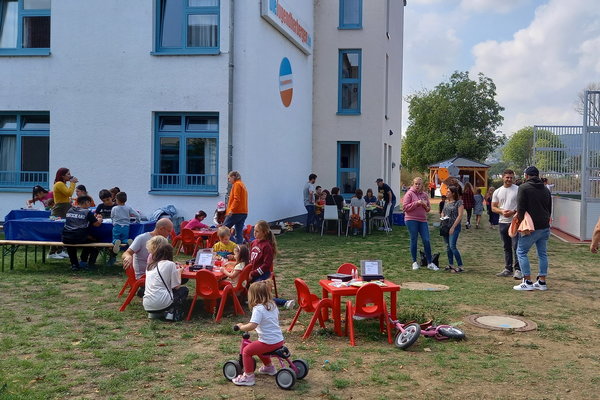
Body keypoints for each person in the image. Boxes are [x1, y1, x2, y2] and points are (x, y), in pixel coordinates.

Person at [232, 280, 286, 386]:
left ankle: (248, 377)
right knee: (258, 347)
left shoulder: (258, 309)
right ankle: (269, 367)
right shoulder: (272, 305)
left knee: (247, 351)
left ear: (253, 296)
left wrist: (241, 327)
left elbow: (252, 325)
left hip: (269, 342)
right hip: (279, 340)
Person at [513, 166, 552, 291]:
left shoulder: (523, 188)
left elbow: (520, 208)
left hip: (530, 227)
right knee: (542, 254)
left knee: (521, 252)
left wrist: (519, 223)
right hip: (544, 226)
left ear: (526, 176)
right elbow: (549, 208)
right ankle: (542, 282)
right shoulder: (545, 189)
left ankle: (527, 281)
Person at [248, 220, 294, 309]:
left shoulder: (267, 246)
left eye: (257, 231)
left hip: (263, 274)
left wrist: (253, 273)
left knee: (260, 294)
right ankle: (249, 298)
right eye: (254, 230)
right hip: (253, 273)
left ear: (264, 232)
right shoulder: (253, 242)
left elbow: (266, 265)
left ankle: (285, 302)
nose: (254, 233)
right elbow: (251, 259)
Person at [142, 242, 189, 321]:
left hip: (147, 304)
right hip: (163, 302)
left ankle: (156, 313)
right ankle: (171, 311)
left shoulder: (150, 265)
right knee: (184, 290)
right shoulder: (170, 264)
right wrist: (179, 272)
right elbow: (176, 286)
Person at [492, 169, 522, 279]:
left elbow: (523, 205)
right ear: (503, 177)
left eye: (511, 177)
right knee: (506, 246)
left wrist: (513, 212)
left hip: (515, 222)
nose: (509, 179)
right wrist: (502, 211)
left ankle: (518, 270)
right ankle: (508, 268)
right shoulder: (497, 191)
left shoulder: (518, 190)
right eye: (507, 177)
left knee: (516, 246)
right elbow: (493, 207)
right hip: (502, 222)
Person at [403, 177, 438, 271]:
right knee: (414, 239)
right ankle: (414, 262)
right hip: (411, 219)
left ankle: (430, 262)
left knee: (426, 240)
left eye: (419, 184)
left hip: (422, 220)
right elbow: (405, 207)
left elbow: (428, 209)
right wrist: (416, 203)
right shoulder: (409, 194)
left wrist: (425, 206)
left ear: (422, 185)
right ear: (413, 184)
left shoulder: (425, 195)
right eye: (416, 184)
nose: (417, 186)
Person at [61, 195, 102, 271]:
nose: (90, 205)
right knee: (96, 242)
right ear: (86, 202)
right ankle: (88, 263)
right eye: (89, 203)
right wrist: (100, 219)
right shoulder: (87, 212)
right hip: (79, 237)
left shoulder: (70, 210)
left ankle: (74, 265)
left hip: (65, 237)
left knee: (71, 243)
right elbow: (96, 224)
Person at [50, 167, 78, 259]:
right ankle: (52, 253)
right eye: (68, 174)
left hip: (64, 208)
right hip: (59, 210)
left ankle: (60, 250)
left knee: (64, 230)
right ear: (62, 176)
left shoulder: (62, 184)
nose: (70, 176)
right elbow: (69, 193)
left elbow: (66, 196)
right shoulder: (59, 184)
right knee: (57, 230)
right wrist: (73, 183)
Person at [441, 186, 465, 273]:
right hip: (446, 226)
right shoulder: (446, 202)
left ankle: (460, 266)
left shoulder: (459, 203)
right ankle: (451, 264)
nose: (446, 193)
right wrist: (442, 216)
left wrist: (453, 227)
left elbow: (460, 215)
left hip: (454, 227)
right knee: (448, 247)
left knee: (452, 246)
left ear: (453, 193)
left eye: (448, 192)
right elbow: (443, 211)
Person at [224, 171, 248, 244]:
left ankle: (233, 245)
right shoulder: (242, 184)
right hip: (244, 212)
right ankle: (239, 248)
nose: (229, 180)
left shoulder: (236, 184)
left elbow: (236, 199)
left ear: (233, 177)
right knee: (239, 233)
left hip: (236, 212)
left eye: (229, 178)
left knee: (223, 229)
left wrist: (231, 209)